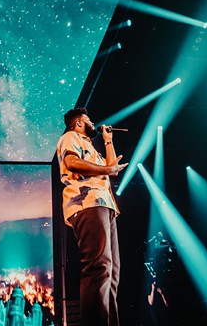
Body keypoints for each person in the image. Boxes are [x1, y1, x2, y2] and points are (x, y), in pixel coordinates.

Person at [56, 107, 128, 326]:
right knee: (98, 267)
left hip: (104, 205)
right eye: (88, 119)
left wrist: (108, 141)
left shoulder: (90, 147)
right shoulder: (70, 137)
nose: (92, 122)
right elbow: (71, 163)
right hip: (87, 203)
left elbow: (111, 167)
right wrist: (107, 171)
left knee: (112, 272)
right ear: (78, 122)